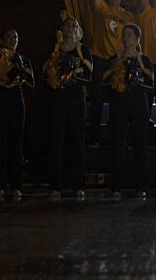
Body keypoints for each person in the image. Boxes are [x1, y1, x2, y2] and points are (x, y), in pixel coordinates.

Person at [103, 24, 154, 200]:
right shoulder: (115, 58)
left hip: (139, 106)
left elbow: (151, 83)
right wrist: (117, 63)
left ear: (137, 38)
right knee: (118, 145)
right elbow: (104, 81)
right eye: (124, 35)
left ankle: (141, 187)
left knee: (140, 145)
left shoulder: (145, 59)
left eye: (130, 35)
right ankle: (116, 187)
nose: (126, 38)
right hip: (119, 105)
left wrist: (139, 63)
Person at [43, 18, 92, 200]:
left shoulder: (83, 49)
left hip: (76, 96)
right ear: (61, 28)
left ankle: (78, 185)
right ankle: (55, 186)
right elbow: (45, 71)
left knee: (77, 140)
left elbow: (88, 73)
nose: (70, 28)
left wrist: (72, 72)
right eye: (67, 25)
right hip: (57, 97)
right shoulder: (54, 48)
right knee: (56, 140)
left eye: (74, 25)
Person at [0, 29, 34, 202]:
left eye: (16, 37)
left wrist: (20, 69)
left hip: (16, 99)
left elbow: (31, 81)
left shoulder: (22, 58)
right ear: (2, 40)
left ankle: (16, 186)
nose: (13, 39)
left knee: (16, 142)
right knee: (0, 143)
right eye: (9, 36)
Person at [88, 0, 135, 144]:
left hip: (118, 60)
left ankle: (116, 135)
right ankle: (94, 135)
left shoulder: (128, 16)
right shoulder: (102, 8)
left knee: (118, 97)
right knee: (97, 98)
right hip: (100, 57)